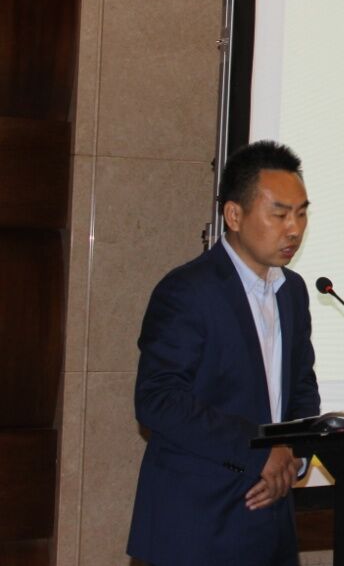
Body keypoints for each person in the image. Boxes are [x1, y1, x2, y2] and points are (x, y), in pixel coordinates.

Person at [127, 141, 320, 566]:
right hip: (198, 525)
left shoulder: (293, 292)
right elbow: (158, 399)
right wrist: (259, 452)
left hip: (272, 524)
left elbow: (302, 387)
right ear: (234, 215)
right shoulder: (187, 291)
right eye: (280, 214)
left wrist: (293, 455)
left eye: (302, 213)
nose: (294, 229)